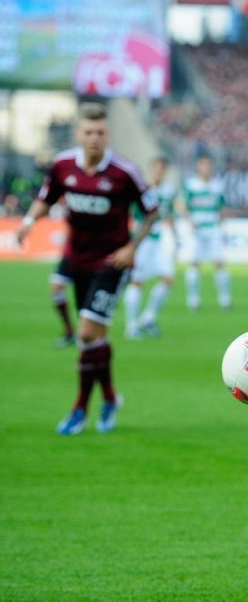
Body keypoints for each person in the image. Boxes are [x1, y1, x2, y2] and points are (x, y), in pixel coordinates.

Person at [16, 103, 159, 434]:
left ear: (107, 135)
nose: (95, 138)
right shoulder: (63, 166)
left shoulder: (125, 172)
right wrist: (27, 222)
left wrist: (131, 247)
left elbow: (151, 211)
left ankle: (79, 408)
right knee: (96, 339)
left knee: (85, 334)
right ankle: (110, 399)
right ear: (79, 133)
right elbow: (46, 197)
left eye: (101, 133)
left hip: (112, 262)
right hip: (78, 260)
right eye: (89, 132)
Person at [124, 157, 177, 339]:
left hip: (160, 240)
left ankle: (148, 318)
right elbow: (131, 212)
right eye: (156, 169)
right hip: (143, 240)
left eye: (162, 169)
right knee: (137, 282)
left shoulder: (169, 191)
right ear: (151, 170)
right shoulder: (142, 188)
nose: (159, 172)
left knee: (168, 279)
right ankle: (131, 326)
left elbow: (168, 214)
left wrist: (175, 239)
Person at [182, 156, 231, 311]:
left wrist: (223, 226)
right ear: (198, 168)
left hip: (213, 228)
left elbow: (222, 207)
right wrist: (189, 221)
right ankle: (193, 299)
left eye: (209, 165)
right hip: (197, 229)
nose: (206, 168)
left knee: (219, 263)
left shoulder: (218, 186)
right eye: (203, 165)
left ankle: (225, 299)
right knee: (195, 263)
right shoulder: (191, 185)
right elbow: (183, 205)